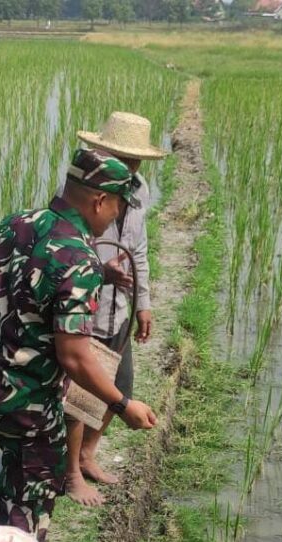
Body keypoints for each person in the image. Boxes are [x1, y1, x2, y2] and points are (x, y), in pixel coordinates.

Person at [0, 148, 158, 542]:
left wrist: (97, 274)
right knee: (36, 492)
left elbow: (25, 285)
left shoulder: (16, 223)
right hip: (26, 399)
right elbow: (74, 356)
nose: (117, 218)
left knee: (20, 469)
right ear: (100, 200)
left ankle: (3, 525)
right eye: (117, 207)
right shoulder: (80, 259)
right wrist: (122, 405)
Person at [62, 112, 169, 507]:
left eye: (135, 161)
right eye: (122, 160)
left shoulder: (138, 193)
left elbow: (138, 250)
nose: (129, 169)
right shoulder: (86, 191)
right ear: (101, 152)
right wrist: (98, 271)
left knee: (120, 387)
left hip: (118, 310)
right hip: (82, 312)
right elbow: (69, 249)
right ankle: (71, 472)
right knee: (79, 396)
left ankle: (89, 455)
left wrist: (143, 303)